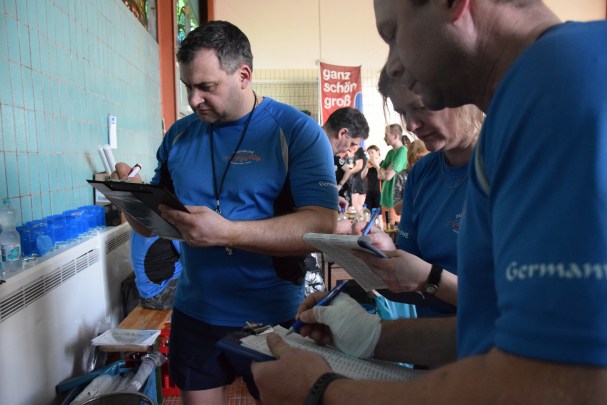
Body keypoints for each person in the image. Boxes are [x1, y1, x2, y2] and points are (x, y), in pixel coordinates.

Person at [252, 1, 607, 403]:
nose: (394, 65)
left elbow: (557, 383)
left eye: (392, 35)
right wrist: (369, 336)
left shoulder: (561, 88)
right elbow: (489, 334)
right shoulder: (519, 111)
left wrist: (322, 390)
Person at [114, 20, 337, 404]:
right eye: (188, 86)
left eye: (206, 86)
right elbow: (152, 224)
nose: (193, 99)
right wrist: (126, 195)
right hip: (195, 313)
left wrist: (228, 232)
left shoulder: (295, 131)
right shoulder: (180, 136)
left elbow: (322, 224)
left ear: (244, 76)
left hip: (272, 316)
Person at [321, 107, 370, 214]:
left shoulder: (324, 151)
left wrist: (329, 197)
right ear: (342, 133)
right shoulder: (312, 147)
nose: (350, 149)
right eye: (352, 143)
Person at [128, 232, 182, 311]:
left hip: (149, 293)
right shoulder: (167, 229)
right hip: (159, 294)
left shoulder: (142, 226)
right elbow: (190, 257)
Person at [379, 123, 407, 227]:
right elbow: (379, 175)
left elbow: (388, 176)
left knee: (392, 231)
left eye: (386, 135)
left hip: (393, 200)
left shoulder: (402, 152)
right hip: (385, 198)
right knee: (385, 228)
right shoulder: (390, 152)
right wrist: (384, 171)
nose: (384, 138)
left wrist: (384, 171)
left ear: (395, 136)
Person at [393, 139, 429, 215]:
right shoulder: (402, 176)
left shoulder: (433, 175)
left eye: (422, 161)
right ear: (409, 160)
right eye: (415, 161)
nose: (419, 165)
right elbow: (397, 209)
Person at [361, 145, 381, 211]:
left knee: (379, 214)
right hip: (369, 192)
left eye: (372, 152)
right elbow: (362, 176)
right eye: (369, 153)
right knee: (367, 212)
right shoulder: (369, 164)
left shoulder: (383, 163)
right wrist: (366, 166)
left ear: (378, 152)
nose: (370, 155)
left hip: (380, 193)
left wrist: (376, 165)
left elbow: (383, 176)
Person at [349, 146, 368, 213]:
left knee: (356, 204)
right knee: (359, 204)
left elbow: (359, 166)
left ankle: (361, 217)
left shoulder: (359, 152)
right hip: (360, 181)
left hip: (358, 181)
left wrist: (348, 172)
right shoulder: (360, 153)